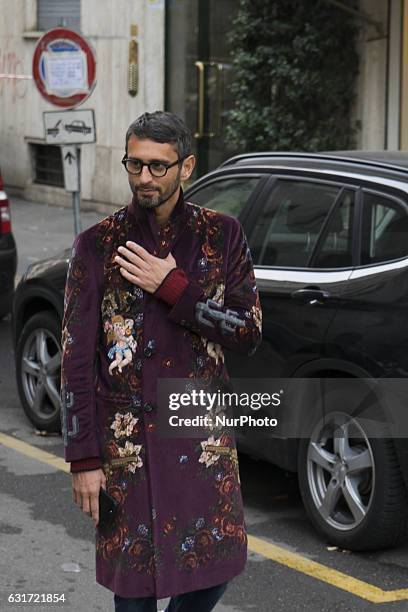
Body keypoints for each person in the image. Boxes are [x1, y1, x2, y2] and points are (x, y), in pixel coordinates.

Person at [60, 111, 262, 611]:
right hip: (125, 447)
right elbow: (75, 358)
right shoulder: (96, 245)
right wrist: (83, 457)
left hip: (199, 440)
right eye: (135, 164)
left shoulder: (222, 236)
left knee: (216, 566)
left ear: (186, 166)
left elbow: (249, 333)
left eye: (158, 166)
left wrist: (174, 289)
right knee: (132, 592)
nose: (144, 178)